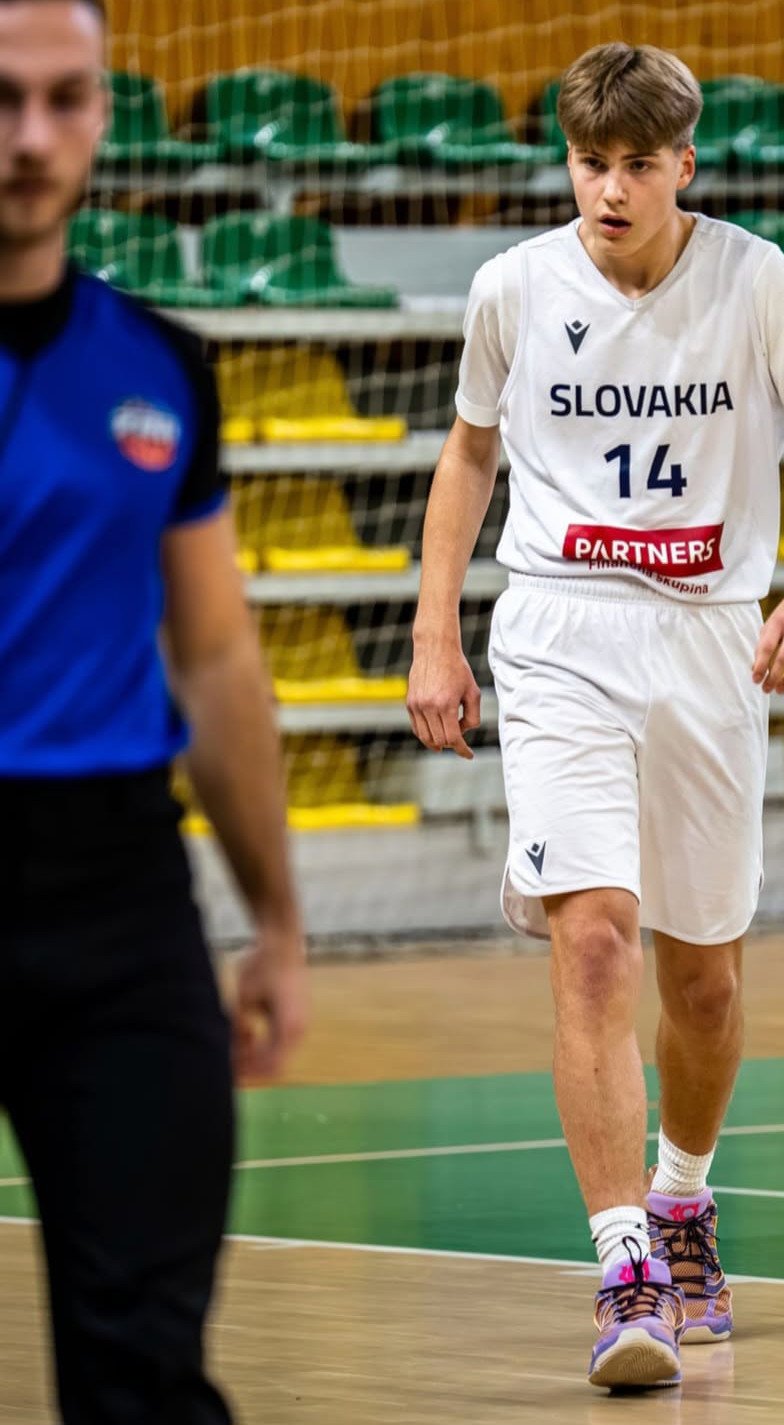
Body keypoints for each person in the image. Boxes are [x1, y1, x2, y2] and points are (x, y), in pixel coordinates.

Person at [407, 41, 784, 1391]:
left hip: (710, 639)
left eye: (634, 165)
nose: (608, 190)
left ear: (684, 163)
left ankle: (681, 1198)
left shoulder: (755, 279)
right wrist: (435, 632)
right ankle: (624, 1267)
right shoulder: (513, 287)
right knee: (597, 938)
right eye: (587, 163)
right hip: (559, 631)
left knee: (704, 978)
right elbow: (468, 453)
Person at [0, 1, 309, 1420]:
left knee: (143, 1364)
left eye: (66, 99)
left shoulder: (161, 366)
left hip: (118, 898)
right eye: (3, 99)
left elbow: (219, 655)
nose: (31, 138)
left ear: (104, 111)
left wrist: (276, 919)